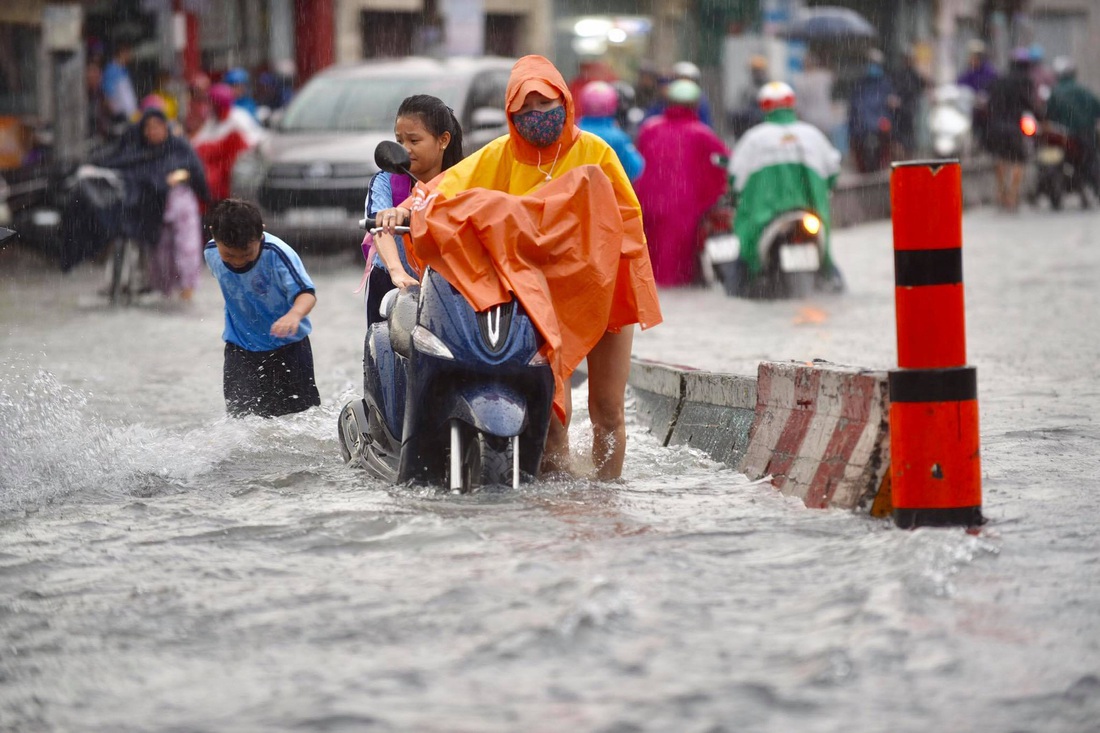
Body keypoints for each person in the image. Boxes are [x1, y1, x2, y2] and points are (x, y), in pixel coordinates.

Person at [375, 54, 662, 481]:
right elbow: (445, 190)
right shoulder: (501, 154)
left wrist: (578, 246)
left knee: (607, 409)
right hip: (535, 299)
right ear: (510, 113)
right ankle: (554, 501)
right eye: (523, 110)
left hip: (601, 288)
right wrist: (403, 210)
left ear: (564, 101)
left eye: (544, 106)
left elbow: (627, 222)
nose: (536, 117)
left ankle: (606, 499)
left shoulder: (594, 152)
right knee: (551, 419)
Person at [204, 198, 320, 418]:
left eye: (247, 254)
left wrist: (294, 315)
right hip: (241, 349)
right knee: (242, 420)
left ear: (261, 233)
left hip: (289, 347)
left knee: (298, 419)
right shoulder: (210, 253)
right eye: (229, 255)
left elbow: (307, 293)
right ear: (213, 234)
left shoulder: (277, 254)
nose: (238, 261)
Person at [362, 94, 463, 325]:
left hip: (448, 285)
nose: (405, 149)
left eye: (414, 141)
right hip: (392, 282)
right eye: (400, 141)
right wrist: (397, 272)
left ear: (443, 140)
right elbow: (380, 226)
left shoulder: (463, 178)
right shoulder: (384, 181)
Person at [729, 81, 842, 288]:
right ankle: (834, 281)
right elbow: (833, 172)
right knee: (830, 268)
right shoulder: (813, 135)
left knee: (743, 266)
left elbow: (736, 179)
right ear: (792, 104)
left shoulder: (754, 139)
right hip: (810, 211)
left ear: (764, 106)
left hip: (765, 217)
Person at [102, 107, 210, 300]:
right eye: (148, 127)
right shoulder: (137, 152)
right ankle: (166, 296)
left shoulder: (179, 147)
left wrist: (179, 176)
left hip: (180, 203)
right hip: (153, 207)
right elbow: (122, 169)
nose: (153, 131)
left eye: (157, 126)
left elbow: (195, 171)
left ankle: (187, 292)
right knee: (161, 257)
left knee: (187, 249)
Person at [633, 79, 728, 287]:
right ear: (695, 104)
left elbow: (637, 164)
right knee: (678, 271)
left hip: (649, 204)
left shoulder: (649, 129)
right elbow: (723, 164)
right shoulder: (702, 133)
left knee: (652, 267)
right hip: (685, 208)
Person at [191, 83, 265, 204]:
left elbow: (254, 141)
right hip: (220, 175)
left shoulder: (238, 118)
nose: (210, 106)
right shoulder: (213, 121)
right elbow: (199, 141)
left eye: (213, 103)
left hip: (237, 171)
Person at [986, 48, 1037, 211]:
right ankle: (1012, 195)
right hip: (1015, 127)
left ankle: (1002, 192)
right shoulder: (1025, 81)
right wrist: (1041, 116)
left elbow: (989, 104)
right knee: (1018, 160)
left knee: (1000, 158)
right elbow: (1029, 103)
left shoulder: (998, 81)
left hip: (996, 126)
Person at [1045, 56, 1100, 204]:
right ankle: (1096, 187)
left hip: (1062, 135)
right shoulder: (1084, 91)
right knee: (1091, 160)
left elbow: (1048, 114)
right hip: (1084, 134)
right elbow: (1097, 108)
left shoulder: (1054, 92)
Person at [576, 81, 644, 182]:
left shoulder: (573, 131)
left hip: (575, 192)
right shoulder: (618, 137)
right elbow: (634, 168)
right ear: (613, 105)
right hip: (607, 193)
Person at [848, 49, 897, 172]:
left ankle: (882, 162)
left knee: (888, 136)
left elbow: (890, 101)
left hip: (880, 120)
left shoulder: (885, 83)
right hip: (863, 122)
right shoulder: (861, 83)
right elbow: (855, 104)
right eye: (870, 62)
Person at [957, 39, 998, 150]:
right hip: (972, 108)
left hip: (987, 110)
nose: (971, 59)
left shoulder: (989, 72)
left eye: (974, 56)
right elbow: (959, 84)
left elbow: (994, 87)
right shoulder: (969, 72)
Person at [891, 48, 930, 159]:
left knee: (910, 135)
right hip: (899, 110)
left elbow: (924, 85)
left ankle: (909, 156)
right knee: (900, 136)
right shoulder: (899, 74)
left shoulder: (914, 74)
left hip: (910, 109)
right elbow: (893, 89)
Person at [792, 52, 835, 137]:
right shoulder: (824, 76)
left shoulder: (799, 80)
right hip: (824, 118)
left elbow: (798, 105)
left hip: (808, 119)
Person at [101, 41, 138, 136]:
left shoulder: (124, 70)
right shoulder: (111, 70)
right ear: (122, 53)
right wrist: (117, 116)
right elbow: (109, 95)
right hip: (121, 117)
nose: (131, 56)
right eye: (128, 53)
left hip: (131, 115)